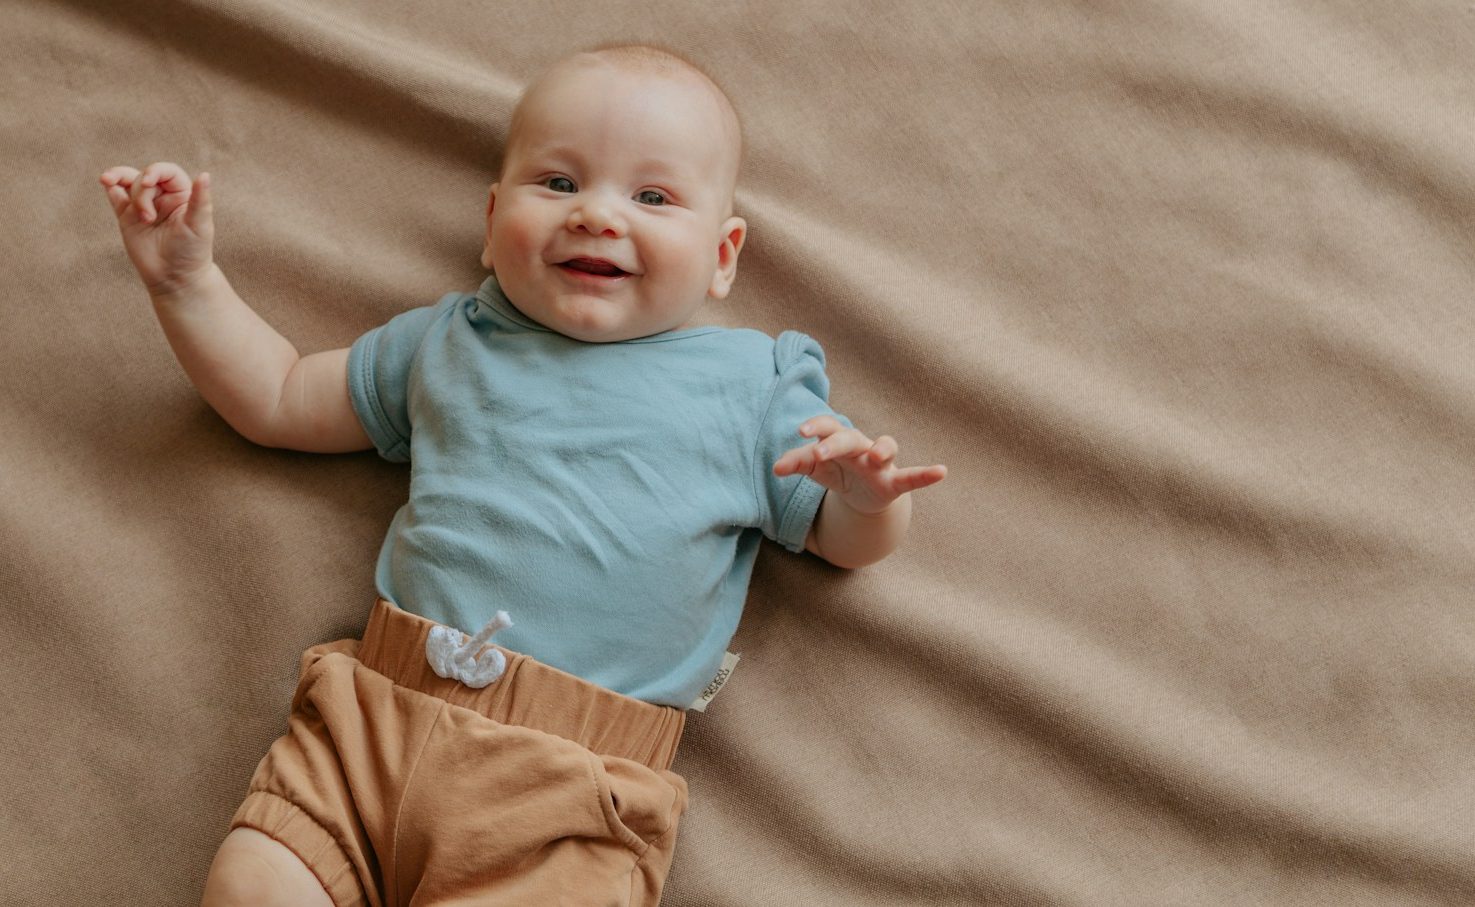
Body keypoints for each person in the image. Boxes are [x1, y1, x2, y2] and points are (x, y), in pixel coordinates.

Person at [100, 43, 946, 907]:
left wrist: (865, 500)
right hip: (367, 733)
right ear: (492, 216)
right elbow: (278, 397)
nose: (596, 216)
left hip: (570, 791)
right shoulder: (451, 340)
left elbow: (845, 544)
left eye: (651, 197)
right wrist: (185, 285)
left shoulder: (752, 390)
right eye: (558, 183)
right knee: (251, 887)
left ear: (723, 255)